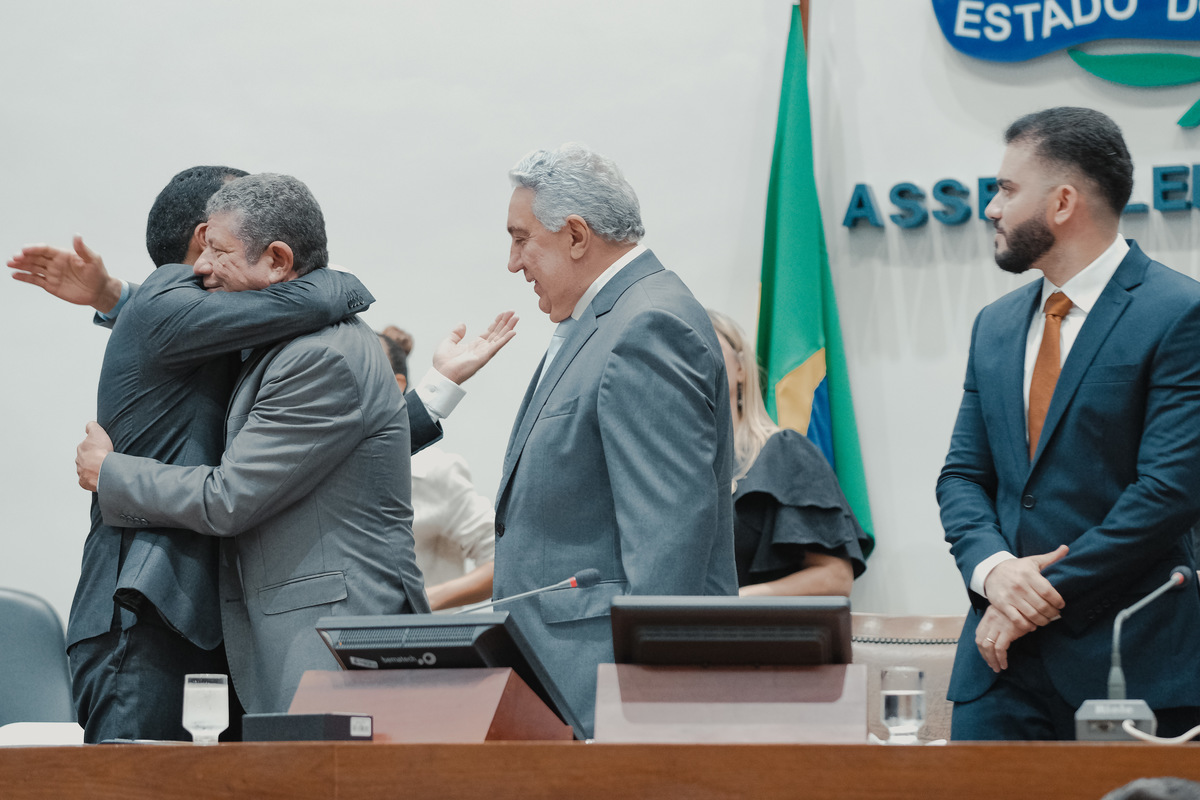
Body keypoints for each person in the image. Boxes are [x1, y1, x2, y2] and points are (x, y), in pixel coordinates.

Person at [8, 167, 515, 740]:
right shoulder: (188, 315)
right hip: (145, 613)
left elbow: (267, 474)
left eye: (219, 249)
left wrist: (111, 472)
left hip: (274, 631)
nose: (205, 264)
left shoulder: (293, 346)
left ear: (274, 259)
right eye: (206, 244)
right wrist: (118, 297)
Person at [937, 107, 1200, 740]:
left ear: (1062, 202)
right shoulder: (994, 325)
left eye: (1006, 189)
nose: (993, 209)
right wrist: (994, 571)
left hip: (1129, 660)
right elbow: (962, 476)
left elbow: (1168, 492)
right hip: (997, 666)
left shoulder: (1180, 313)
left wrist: (1032, 599)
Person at [495, 143, 737, 738]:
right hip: (569, 681)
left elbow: (668, 545)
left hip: (609, 695)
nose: (512, 261)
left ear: (576, 235)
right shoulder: (610, 317)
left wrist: (641, 711)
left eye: (522, 238)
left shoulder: (646, 326)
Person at [706, 309, 869, 596]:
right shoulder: (666, 467)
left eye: (709, 347)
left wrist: (731, 603)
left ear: (741, 368)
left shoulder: (785, 453)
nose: (696, 361)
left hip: (764, 635)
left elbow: (835, 578)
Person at [378, 325, 495, 610]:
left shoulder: (435, 472)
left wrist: (420, 603)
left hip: (424, 648)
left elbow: (503, 558)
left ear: (397, 384)